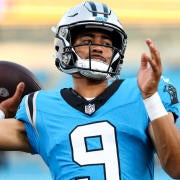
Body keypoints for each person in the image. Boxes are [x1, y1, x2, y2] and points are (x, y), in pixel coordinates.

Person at [0, 1, 180, 180]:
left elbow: (177, 168)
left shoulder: (142, 95)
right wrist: (2, 111)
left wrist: (151, 98)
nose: (98, 47)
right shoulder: (41, 107)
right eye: (87, 41)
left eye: (107, 42)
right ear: (65, 45)